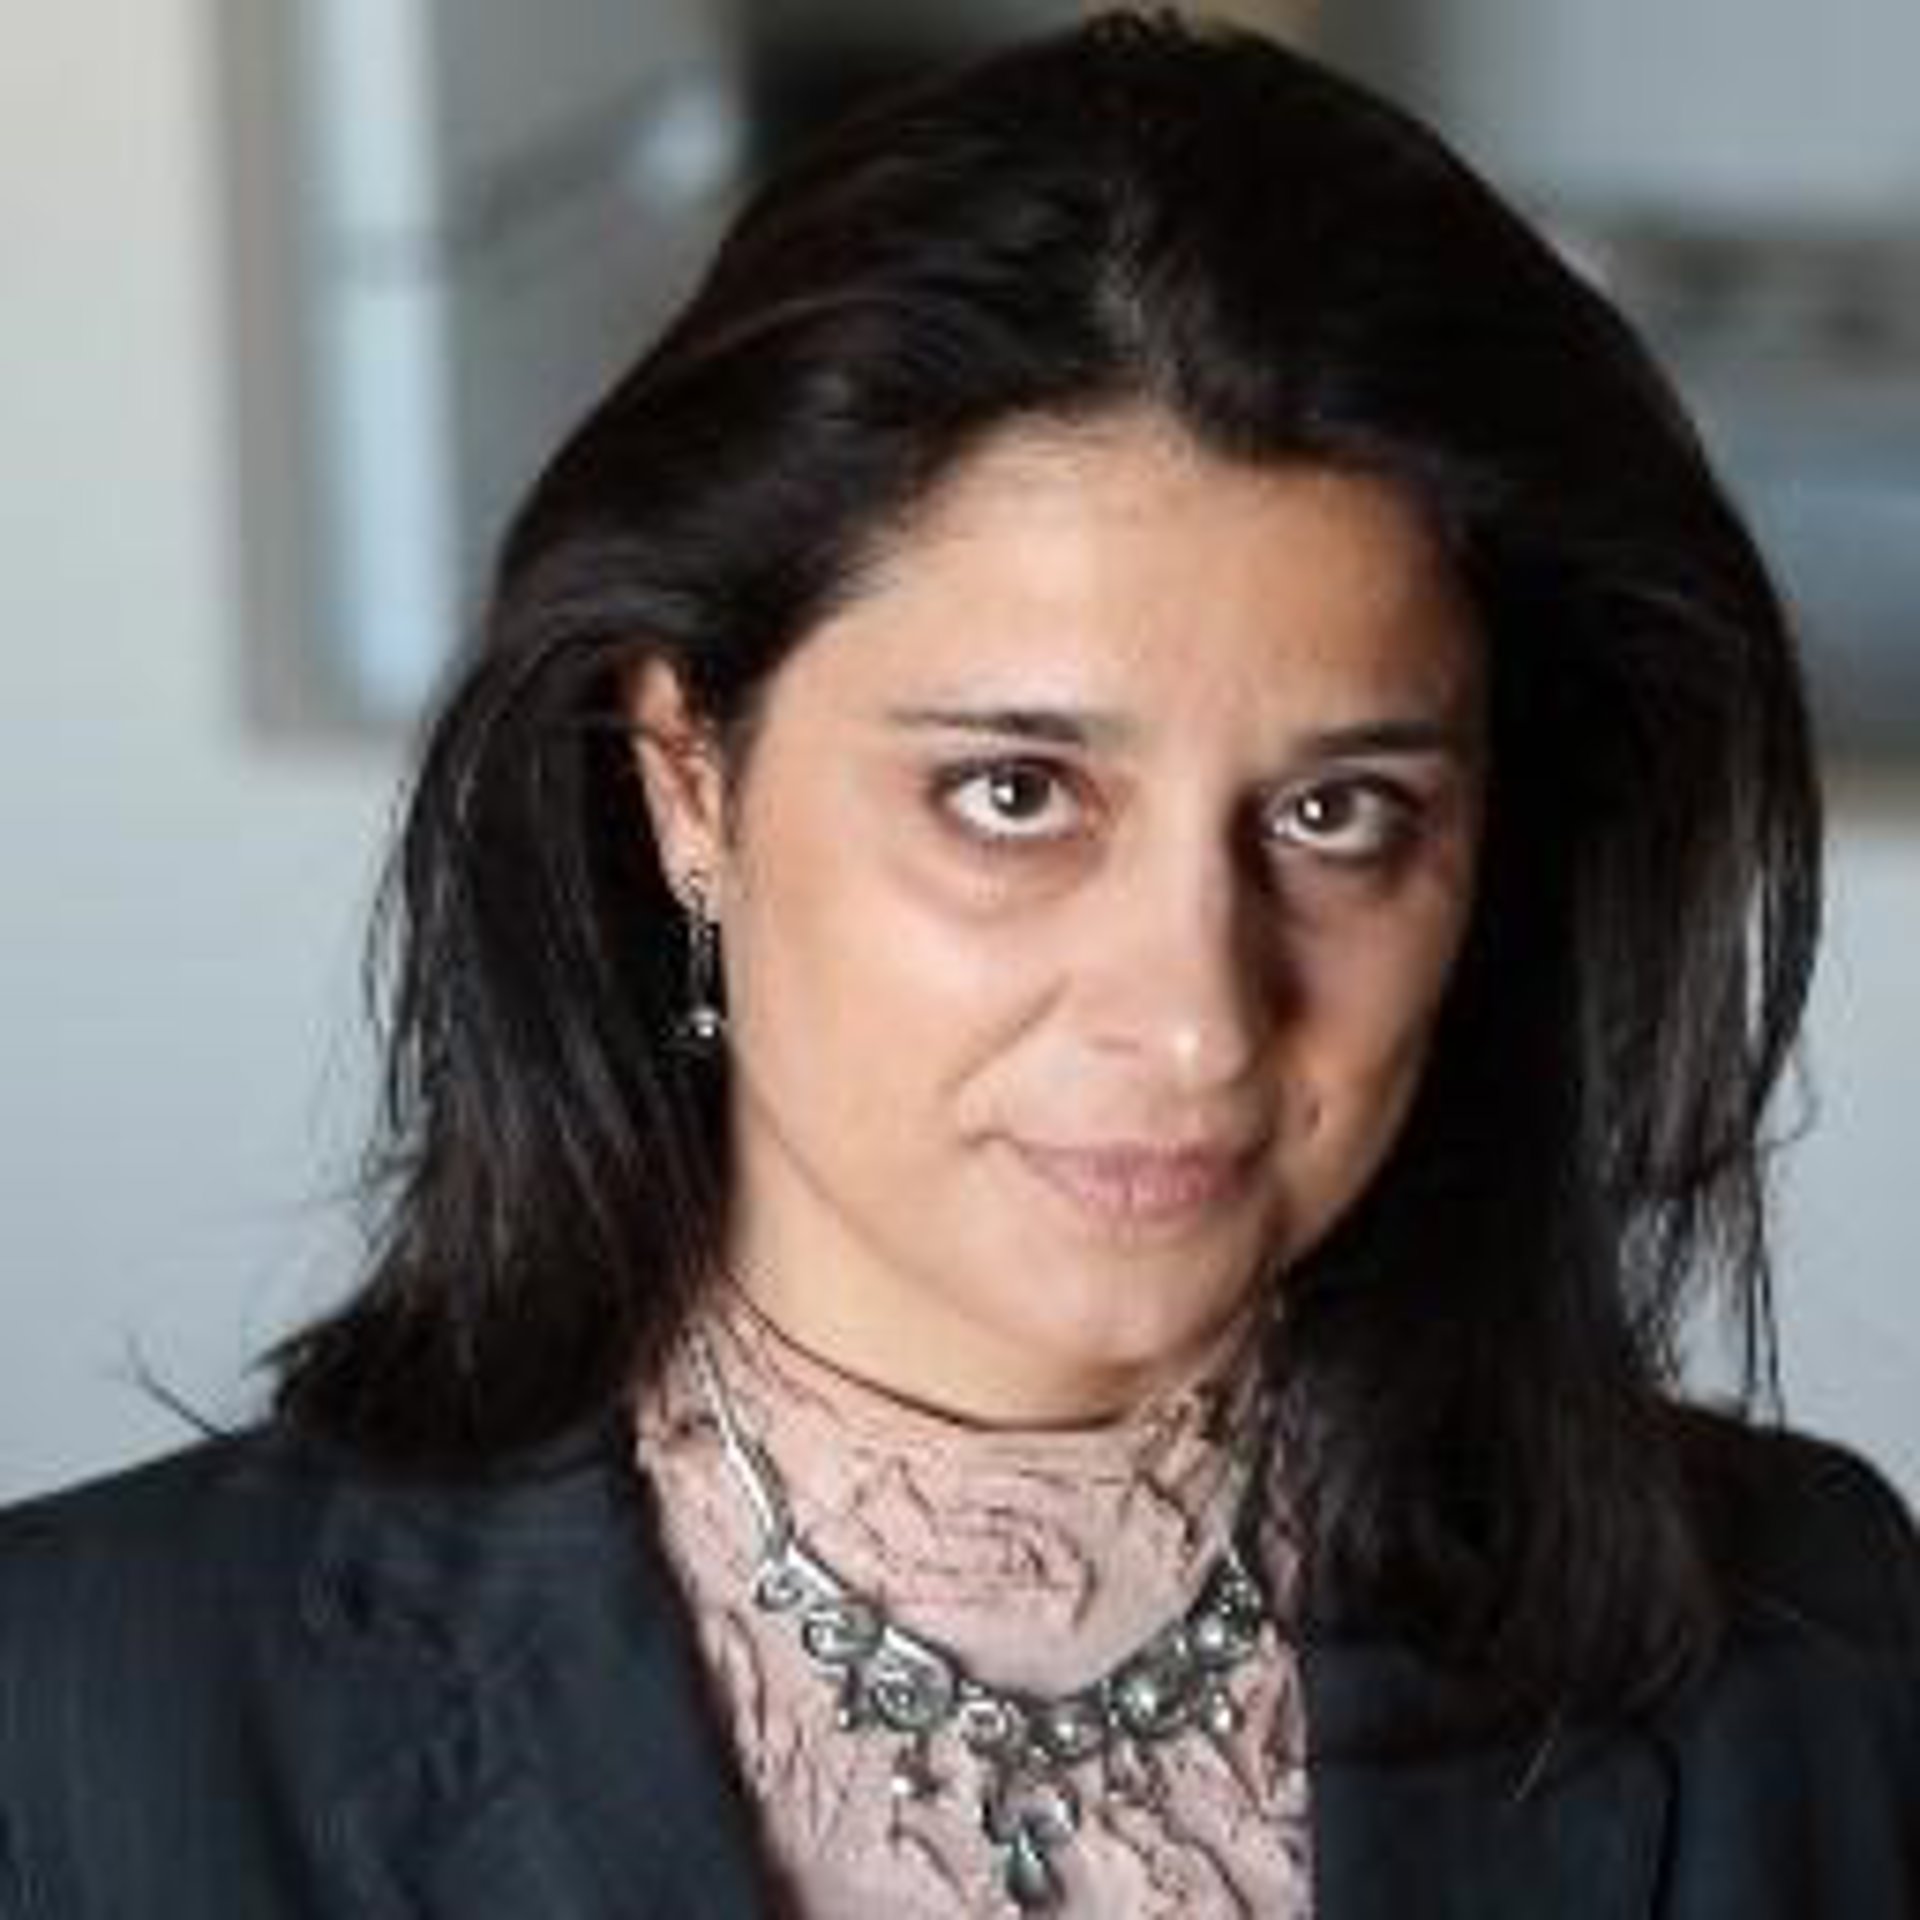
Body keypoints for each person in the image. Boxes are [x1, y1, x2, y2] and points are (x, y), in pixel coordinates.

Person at [2, 13, 1915, 1916]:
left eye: (1338, 815)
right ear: (689, 780)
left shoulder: (1813, 1656)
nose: (1195, 1017)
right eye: (1016, 795)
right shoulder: (85, 1723)